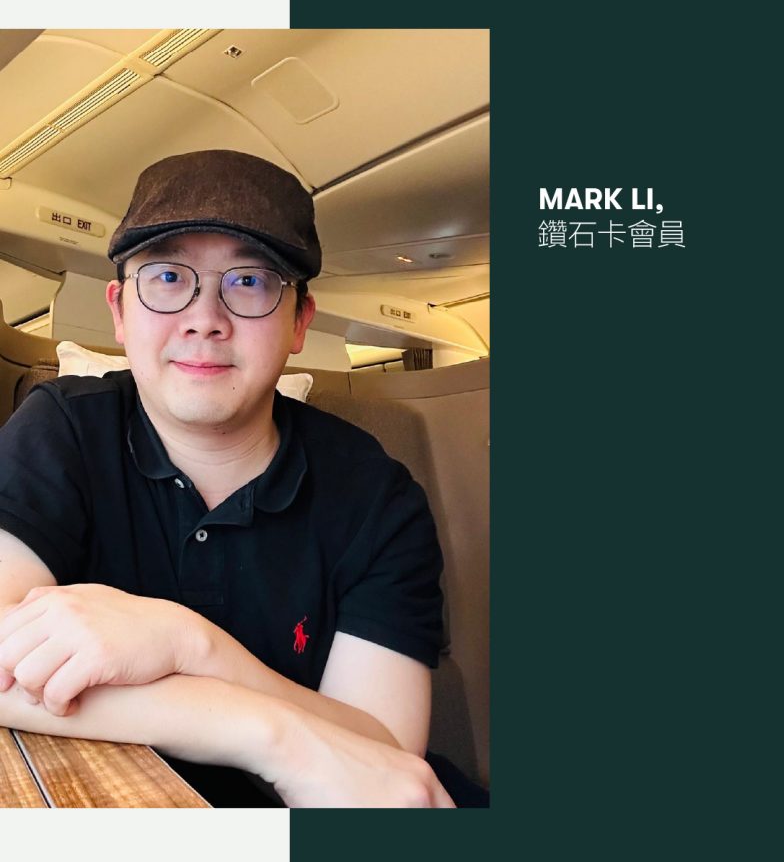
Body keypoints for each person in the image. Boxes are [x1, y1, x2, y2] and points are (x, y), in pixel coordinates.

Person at [0, 149, 460, 807]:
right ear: (119, 311)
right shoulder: (63, 431)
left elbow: (381, 763)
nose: (205, 318)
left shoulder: (376, 497)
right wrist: (270, 734)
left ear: (300, 321)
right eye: (165, 277)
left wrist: (190, 644)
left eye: (249, 283)